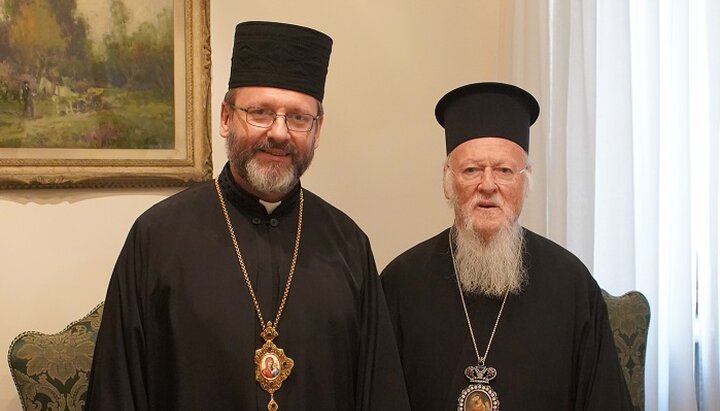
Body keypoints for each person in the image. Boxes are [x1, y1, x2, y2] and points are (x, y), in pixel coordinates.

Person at [87, 21, 410, 411]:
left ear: (317, 130)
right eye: (259, 112)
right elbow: (117, 389)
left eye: (298, 118)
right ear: (226, 117)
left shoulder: (348, 246)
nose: (279, 133)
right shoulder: (157, 238)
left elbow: (379, 393)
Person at [381, 82, 633, 410]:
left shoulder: (571, 284)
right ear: (448, 182)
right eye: (471, 170)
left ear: (525, 183)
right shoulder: (401, 283)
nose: (488, 185)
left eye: (504, 171)